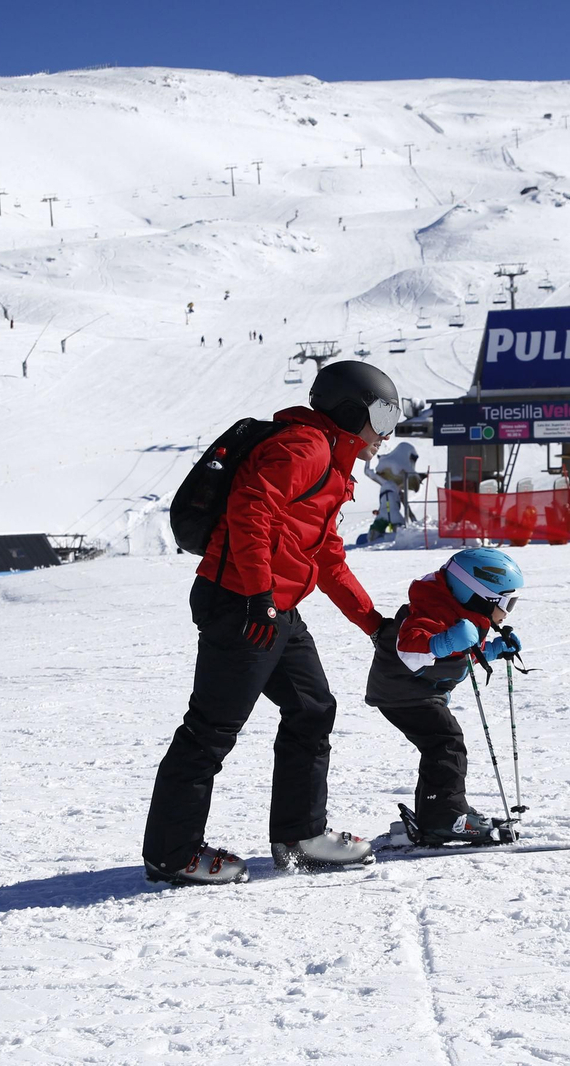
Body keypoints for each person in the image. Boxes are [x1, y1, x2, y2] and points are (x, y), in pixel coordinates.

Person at [142, 361, 402, 886]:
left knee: (312, 707)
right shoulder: (305, 448)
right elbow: (250, 510)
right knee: (210, 731)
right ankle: (172, 854)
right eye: (383, 417)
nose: (386, 435)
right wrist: (260, 593)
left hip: (273, 606)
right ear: (354, 412)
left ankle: (300, 837)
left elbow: (326, 556)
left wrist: (373, 623)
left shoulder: (332, 464)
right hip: (243, 603)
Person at [366, 548, 524, 844]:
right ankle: (444, 817)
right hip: (403, 692)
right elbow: (410, 648)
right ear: (479, 595)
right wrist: (445, 641)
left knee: (438, 744)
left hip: (415, 692)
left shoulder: (460, 611)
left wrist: (492, 650)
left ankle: (438, 812)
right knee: (446, 741)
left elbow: (458, 654)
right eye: (507, 602)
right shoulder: (431, 610)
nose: (507, 612)